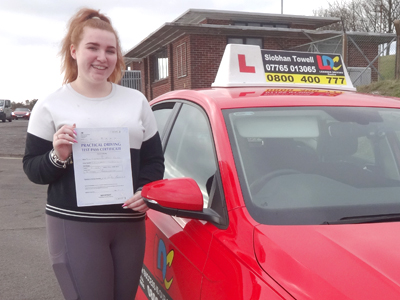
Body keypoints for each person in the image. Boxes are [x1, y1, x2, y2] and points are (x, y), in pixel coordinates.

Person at [23, 8, 164, 300]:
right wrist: (57, 155)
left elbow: (154, 162)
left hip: (128, 226)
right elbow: (32, 168)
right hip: (75, 225)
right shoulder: (50, 105)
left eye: (110, 50)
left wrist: (144, 191)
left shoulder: (136, 101)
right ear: (74, 51)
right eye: (93, 47)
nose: (103, 57)